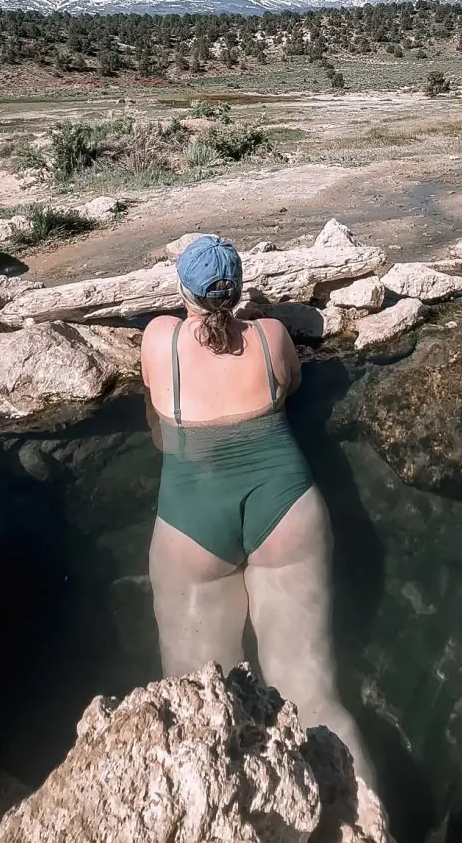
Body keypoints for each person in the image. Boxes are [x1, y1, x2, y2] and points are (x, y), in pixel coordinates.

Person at [141, 234, 381, 804]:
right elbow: (289, 386)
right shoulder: (270, 336)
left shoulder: (160, 338)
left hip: (191, 516)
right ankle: (367, 823)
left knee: (202, 701)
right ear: (241, 289)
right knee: (314, 696)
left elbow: (157, 406)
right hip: (288, 506)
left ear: (184, 293)